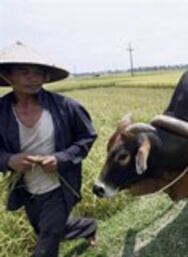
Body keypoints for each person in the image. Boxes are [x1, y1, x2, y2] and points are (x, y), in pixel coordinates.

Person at [0, 41, 97, 257]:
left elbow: (87, 137)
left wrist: (60, 159)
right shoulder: (1, 113)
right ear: (7, 76)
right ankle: (87, 226)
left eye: (38, 73)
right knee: (49, 230)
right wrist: (8, 160)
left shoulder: (66, 107)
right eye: (24, 72)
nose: (32, 78)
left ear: (45, 77)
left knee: (46, 245)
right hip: (27, 190)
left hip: (59, 187)